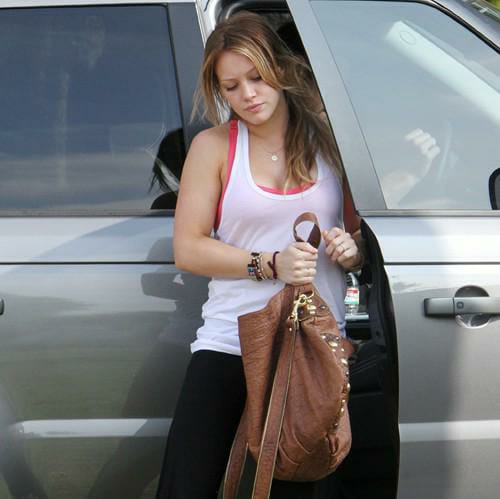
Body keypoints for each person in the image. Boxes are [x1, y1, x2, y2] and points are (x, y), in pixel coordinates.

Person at [155, 11, 364, 499]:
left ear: (280, 70)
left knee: (295, 486)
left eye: (257, 78)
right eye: (231, 86)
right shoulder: (213, 147)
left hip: (310, 347)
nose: (248, 94)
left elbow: (354, 237)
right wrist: (269, 263)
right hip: (230, 337)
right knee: (185, 483)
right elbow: (188, 248)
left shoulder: (329, 141)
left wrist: (349, 252)